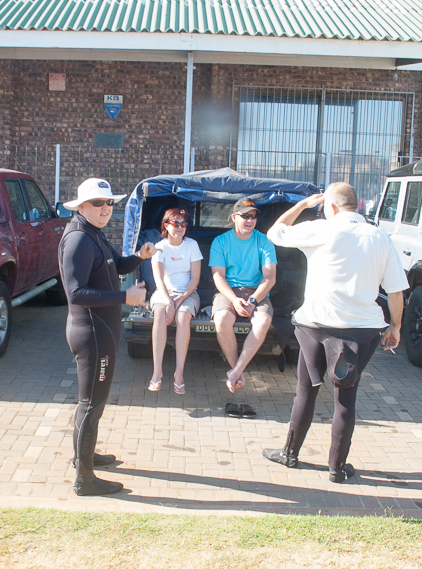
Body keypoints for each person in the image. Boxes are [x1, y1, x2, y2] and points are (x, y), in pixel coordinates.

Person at [262, 182, 408, 482]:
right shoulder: (380, 237)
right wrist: (395, 326)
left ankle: (289, 454)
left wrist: (302, 205)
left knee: (306, 390)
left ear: (330, 206)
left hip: (315, 326)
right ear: (357, 204)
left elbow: (275, 232)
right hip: (361, 331)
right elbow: (396, 290)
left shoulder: (320, 229)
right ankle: (337, 468)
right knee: (346, 399)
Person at [59, 177, 156, 496]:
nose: (106, 208)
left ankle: (84, 457)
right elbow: (76, 292)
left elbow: (117, 266)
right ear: (81, 206)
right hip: (92, 335)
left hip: (100, 332)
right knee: (91, 404)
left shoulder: (94, 233)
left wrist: (140, 256)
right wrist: (125, 298)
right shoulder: (78, 239)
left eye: (110, 203)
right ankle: (85, 479)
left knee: (92, 403)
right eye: (98, 203)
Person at [210, 197, 277, 415]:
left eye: (253, 216)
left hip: (257, 292)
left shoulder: (264, 241)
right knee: (222, 319)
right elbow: (218, 276)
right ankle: (235, 371)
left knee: (263, 321)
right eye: (245, 216)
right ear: (234, 217)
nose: (250, 220)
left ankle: (235, 372)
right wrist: (234, 299)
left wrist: (253, 300)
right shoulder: (220, 242)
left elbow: (270, 278)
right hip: (229, 291)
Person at [147, 208, 203, 395]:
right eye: (175, 223)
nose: (180, 227)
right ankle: (157, 371)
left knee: (183, 317)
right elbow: (158, 280)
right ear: (166, 225)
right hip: (164, 292)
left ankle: (179, 374)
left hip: (188, 293)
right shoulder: (159, 247)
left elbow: (195, 278)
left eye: (183, 224)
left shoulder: (192, 245)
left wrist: (181, 298)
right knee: (160, 314)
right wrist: (169, 302)